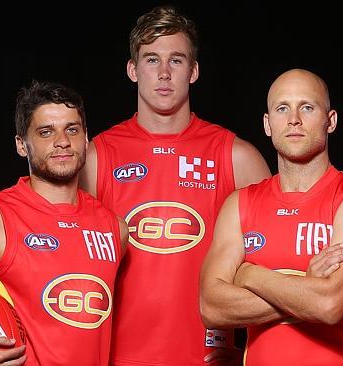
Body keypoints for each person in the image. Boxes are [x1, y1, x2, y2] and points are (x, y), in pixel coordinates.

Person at [78, 5, 271, 366]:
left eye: (176, 61)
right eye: (152, 60)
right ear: (133, 70)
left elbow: (278, 264)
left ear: (194, 71)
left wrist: (248, 343)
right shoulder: (95, 157)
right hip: (118, 358)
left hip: (208, 358)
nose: (164, 73)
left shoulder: (237, 157)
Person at [0, 80, 128, 365]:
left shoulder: (114, 228)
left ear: (86, 138)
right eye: (45, 131)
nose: (62, 141)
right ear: (21, 145)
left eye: (72, 129)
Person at [199, 68, 343, 365]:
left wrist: (250, 274)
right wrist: (305, 284)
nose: (294, 119)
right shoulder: (240, 204)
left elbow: (330, 304)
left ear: (330, 121)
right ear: (268, 124)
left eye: (307, 107)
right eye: (282, 108)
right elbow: (212, 307)